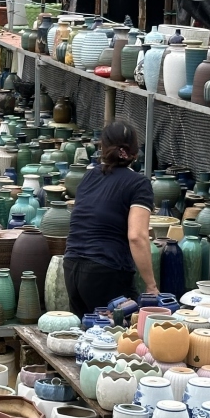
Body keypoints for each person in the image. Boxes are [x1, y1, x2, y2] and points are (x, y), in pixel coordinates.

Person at [63, 121, 159, 317]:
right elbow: (137, 237)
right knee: (121, 334)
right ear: (134, 151)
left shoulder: (88, 177)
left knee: (88, 335)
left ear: (103, 147)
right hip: (106, 271)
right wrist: (151, 285)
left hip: (71, 266)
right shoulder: (139, 184)